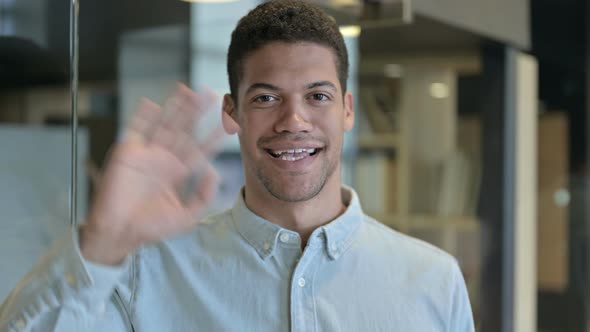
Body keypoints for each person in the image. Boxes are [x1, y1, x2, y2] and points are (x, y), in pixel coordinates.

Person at [0, 1, 475, 331]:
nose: (294, 120)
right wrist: (102, 242)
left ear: (347, 110)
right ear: (232, 113)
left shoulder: (433, 279)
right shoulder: (150, 269)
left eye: (318, 96)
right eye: (266, 97)